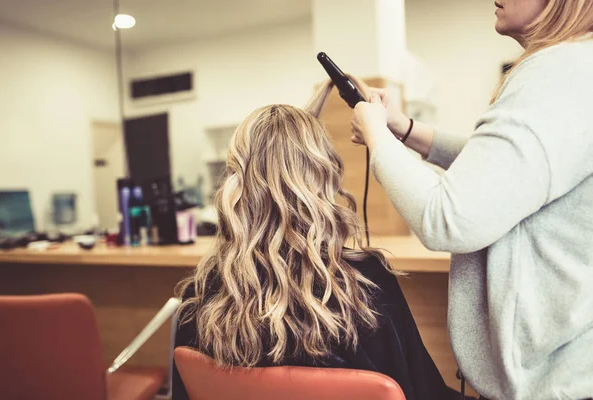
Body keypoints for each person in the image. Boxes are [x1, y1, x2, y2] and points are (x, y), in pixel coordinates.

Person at [350, 1, 593, 399]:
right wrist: (405, 129)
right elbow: (506, 174)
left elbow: (447, 218)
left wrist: (377, 138)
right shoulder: (580, 66)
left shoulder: (560, 72)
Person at [172, 78, 467, 400]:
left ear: (235, 178)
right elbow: (420, 391)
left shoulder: (200, 295)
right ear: (323, 174)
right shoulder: (365, 282)